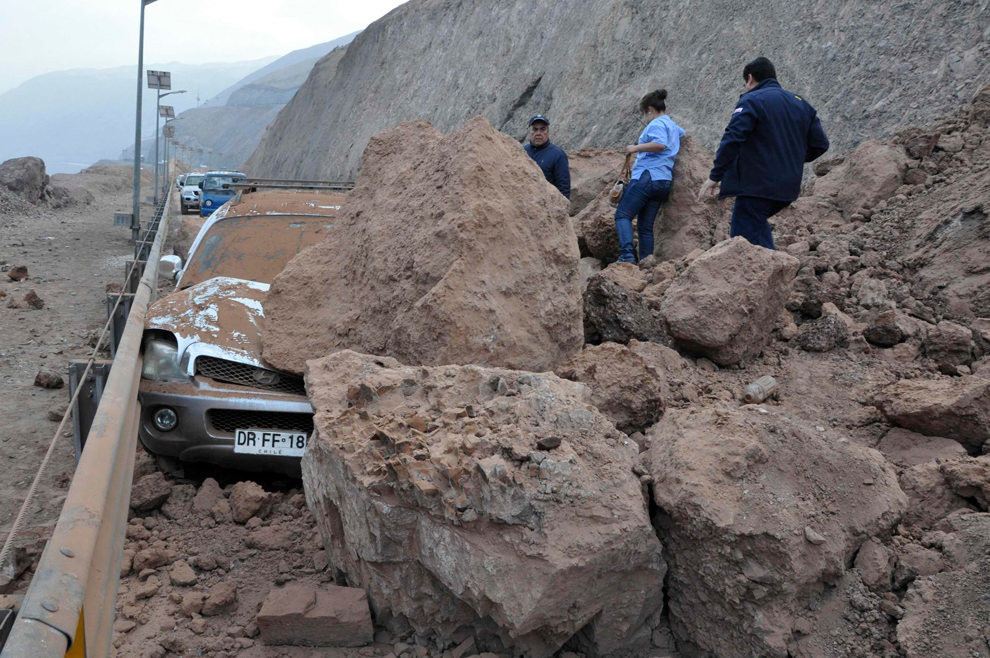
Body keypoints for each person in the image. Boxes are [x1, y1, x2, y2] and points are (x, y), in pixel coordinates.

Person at [698, 57, 830, 249]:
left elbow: (733, 138)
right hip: (788, 187)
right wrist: (790, 159)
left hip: (756, 185)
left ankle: (761, 275)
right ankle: (775, 270)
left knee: (743, 242)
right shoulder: (802, 104)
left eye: (745, 82)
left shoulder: (752, 100)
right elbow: (821, 144)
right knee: (756, 228)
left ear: (750, 78)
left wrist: (715, 176)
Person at [614, 89, 685, 263]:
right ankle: (646, 261)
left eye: (645, 114)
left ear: (650, 109)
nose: (645, 118)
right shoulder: (672, 125)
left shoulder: (655, 124)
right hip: (663, 182)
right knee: (645, 227)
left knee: (622, 215)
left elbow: (660, 144)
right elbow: (682, 133)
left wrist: (635, 148)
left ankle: (627, 256)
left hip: (647, 177)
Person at [524, 115, 570, 199]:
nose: (538, 133)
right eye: (535, 129)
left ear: (548, 132)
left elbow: (564, 188)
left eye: (543, 129)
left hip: (547, 205)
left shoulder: (558, 154)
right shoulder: (522, 152)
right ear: (529, 132)